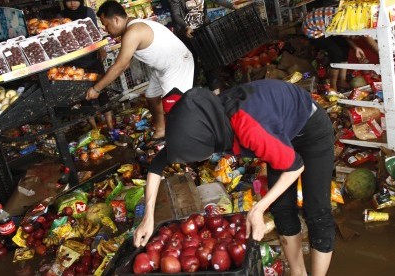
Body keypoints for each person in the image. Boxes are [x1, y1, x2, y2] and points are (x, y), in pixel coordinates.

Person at [134, 79, 335, 276]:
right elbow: (157, 165)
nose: (191, 163)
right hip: (277, 130)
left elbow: (295, 167)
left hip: (309, 131)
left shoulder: (247, 128)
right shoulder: (202, 122)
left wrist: (258, 208)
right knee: (282, 209)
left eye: (193, 158)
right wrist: (148, 217)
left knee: (317, 211)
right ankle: (298, 272)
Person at [86, 0, 194, 141]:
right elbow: (124, 65)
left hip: (177, 65)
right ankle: (161, 130)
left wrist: (96, 89)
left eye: (106, 25)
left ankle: (187, 139)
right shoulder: (131, 28)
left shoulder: (133, 32)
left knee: (174, 107)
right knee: (151, 96)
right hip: (163, 67)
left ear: (116, 19)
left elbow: (120, 66)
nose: (106, 30)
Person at [168, 0, 245, 94]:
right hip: (187, 35)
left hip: (203, 31)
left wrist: (232, 6)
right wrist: (186, 27)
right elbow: (175, 15)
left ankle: (216, 94)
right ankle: (191, 95)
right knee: (192, 66)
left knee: (210, 62)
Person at [59, 0, 113, 130]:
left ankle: (110, 124)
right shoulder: (61, 16)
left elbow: (95, 30)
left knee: (102, 89)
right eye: (69, 1)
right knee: (83, 94)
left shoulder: (88, 11)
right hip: (74, 60)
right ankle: (94, 127)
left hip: (93, 56)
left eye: (76, 0)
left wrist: (101, 48)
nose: (72, 3)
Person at [302, 6, 378, 91]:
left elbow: (345, 35)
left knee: (344, 47)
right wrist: (383, 54)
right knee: (336, 52)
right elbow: (366, 39)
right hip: (312, 30)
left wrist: (356, 47)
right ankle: (333, 87)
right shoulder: (354, 21)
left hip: (325, 26)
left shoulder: (356, 20)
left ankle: (342, 81)